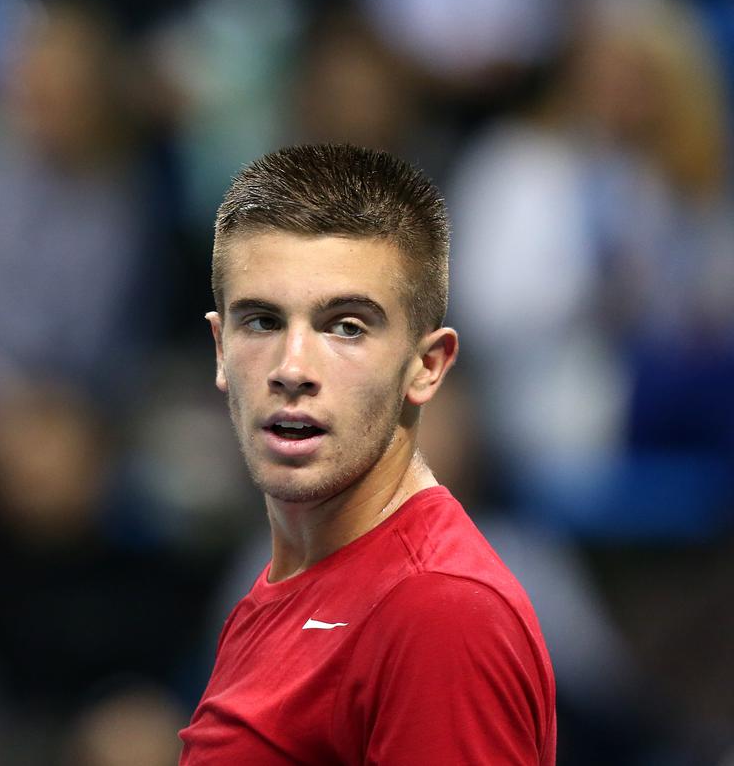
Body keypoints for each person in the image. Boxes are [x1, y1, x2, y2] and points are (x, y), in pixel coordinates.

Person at [178, 144, 556, 764]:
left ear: (426, 366)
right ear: (220, 349)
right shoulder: (280, 585)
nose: (292, 368)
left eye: (346, 326)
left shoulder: (438, 611)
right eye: (263, 322)